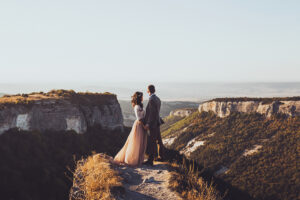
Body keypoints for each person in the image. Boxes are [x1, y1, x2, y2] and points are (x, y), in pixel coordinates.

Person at [113, 92, 147, 167]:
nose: (143, 97)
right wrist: (144, 126)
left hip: (142, 124)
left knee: (141, 141)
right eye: (142, 96)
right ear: (139, 98)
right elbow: (139, 118)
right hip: (139, 125)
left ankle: (138, 159)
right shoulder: (137, 107)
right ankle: (132, 160)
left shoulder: (140, 105)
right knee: (136, 142)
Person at [143, 85, 164, 166]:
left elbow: (152, 113)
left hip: (153, 124)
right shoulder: (158, 98)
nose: (147, 91)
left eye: (147, 90)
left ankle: (150, 160)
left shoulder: (151, 99)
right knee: (159, 140)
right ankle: (161, 157)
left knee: (152, 142)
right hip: (157, 122)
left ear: (149, 90)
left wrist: (148, 123)